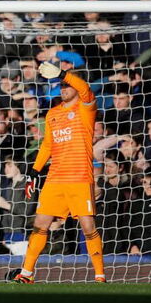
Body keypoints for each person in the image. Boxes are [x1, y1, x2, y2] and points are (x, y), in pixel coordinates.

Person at [10, 61, 105, 283]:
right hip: (55, 179)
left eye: (66, 85)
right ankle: (26, 274)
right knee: (40, 224)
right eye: (61, 86)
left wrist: (63, 74)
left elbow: (85, 89)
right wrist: (34, 171)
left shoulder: (86, 108)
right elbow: (47, 146)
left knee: (88, 226)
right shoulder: (52, 113)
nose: (63, 88)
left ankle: (100, 276)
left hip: (80, 178)